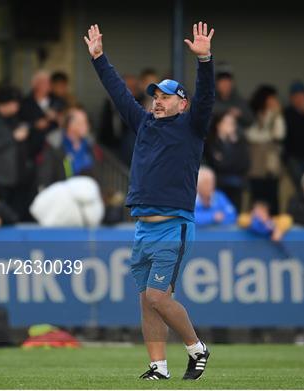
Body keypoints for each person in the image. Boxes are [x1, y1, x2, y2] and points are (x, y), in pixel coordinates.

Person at [85, 21, 214, 380]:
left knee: (158, 298)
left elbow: (206, 98)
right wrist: (99, 59)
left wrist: (204, 61)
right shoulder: (144, 123)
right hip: (143, 228)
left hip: (174, 226)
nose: (157, 100)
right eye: (155, 95)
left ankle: (197, 348)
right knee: (146, 301)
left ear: (182, 103)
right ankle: (158, 367)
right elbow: (118, 93)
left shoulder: (192, 126)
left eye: (165, 96)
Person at [0, 87, 36, 221]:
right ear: (6, 104)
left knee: (16, 208)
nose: (17, 107)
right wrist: (14, 136)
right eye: (15, 104)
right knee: (2, 208)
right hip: (0, 176)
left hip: (16, 175)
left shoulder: (12, 118)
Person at [38, 107, 101, 189]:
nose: (87, 126)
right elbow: (45, 177)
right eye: (82, 123)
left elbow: (96, 174)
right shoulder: (55, 145)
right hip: (62, 196)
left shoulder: (89, 145)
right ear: (70, 125)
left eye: (86, 122)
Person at [246, 85, 286, 215]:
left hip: (271, 165)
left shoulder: (277, 116)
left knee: (272, 197)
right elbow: (249, 134)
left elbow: (279, 135)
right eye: (271, 98)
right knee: (256, 196)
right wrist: (265, 135)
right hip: (256, 165)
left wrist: (276, 114)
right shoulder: (254, 114)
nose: (274, 101)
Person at [203, 111, 249, 211]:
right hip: (218, 183)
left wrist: (232, 146)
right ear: (219, 125)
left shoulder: (240, 142)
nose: (230, 126)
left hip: (236, 183)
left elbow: (244, 164)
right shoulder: (211, 142)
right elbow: (216, 165)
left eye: (232, 124)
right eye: (227, 123)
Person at [212, 62, 254, 128]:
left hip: (235, 136)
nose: (225, 84)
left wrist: (239, 114)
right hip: (213, 135)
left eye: (227, 80)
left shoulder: (239, 100)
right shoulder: (210, 98)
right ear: (216, 83)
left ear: (232, 82)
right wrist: (229, 110)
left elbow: (250, 119)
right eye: (222, 81)